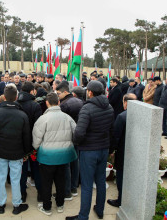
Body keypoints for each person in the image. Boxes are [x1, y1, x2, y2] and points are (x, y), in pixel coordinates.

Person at [66, 81, 114, 220]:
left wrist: (75, 142)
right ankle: (100, 209)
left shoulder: (87, 109)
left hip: (89, 151)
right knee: (100, 181)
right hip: (103, 149)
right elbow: (111, 130)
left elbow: (79, 133)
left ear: (90, 93)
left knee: (87, 185)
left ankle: (83, 216)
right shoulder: (109, 107)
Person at [0, 84, 30, 215]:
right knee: (15, 179)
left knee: (1, 178)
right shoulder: (22, 115)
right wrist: (26, 152)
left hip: (0, 151)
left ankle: (1, 204)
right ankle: (16, 205)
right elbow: (27, 136)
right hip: (16, 152)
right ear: (16, 97)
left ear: (4, 97)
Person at [33, 92, 77, 216]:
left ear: (47, 103)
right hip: (63, 156)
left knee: (46, 183)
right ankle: (60, 205)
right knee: (60, 181)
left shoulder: (43, 118)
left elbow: (36, 139)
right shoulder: (67, 117)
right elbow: (76, 133)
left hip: (47, 156)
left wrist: (36, 148)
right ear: (58, 102)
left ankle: (47, 207)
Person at [107, 93, 137, 208]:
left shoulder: (122, 116)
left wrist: (111, 150)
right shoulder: (142, 115)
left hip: (123, 152)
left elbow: (116, 136)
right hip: (136, 152)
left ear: (125, 103)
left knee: (121, 176)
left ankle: (120, 200)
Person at [56, 83, 83, 199]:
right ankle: (74, 187)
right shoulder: (79, 101)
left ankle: (66, 192)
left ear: (65, 92)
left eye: (58, 94)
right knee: (75, 162)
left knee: (66, 165)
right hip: (77, 136)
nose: (57, 96)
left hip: (67, 137)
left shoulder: (64, 105)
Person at [17, 82, 43, 202]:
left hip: (20, 143)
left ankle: (22, 194)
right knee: (36, 169)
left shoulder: (16, 104)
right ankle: (40, 193)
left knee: (21, 170)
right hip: (33, 144)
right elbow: (39, 126)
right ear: (32, 91)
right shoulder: (35, 105)